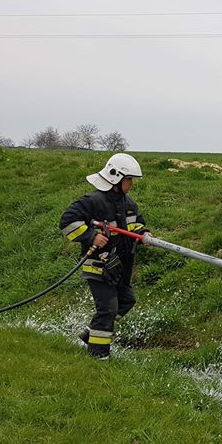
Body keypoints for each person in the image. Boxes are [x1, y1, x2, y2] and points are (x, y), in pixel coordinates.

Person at [59, 153, 148, 360]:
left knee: (126, 300)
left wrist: (144, 234)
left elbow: (136, 224)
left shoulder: (129, 203)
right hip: (99, 265)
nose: (131, 184)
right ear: (116, 178)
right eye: (129, 180)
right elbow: (67, 221)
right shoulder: (92, 201)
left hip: (120, 266)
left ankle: (91, 334)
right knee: (108, 309)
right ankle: (98, 356)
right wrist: (91, 236)